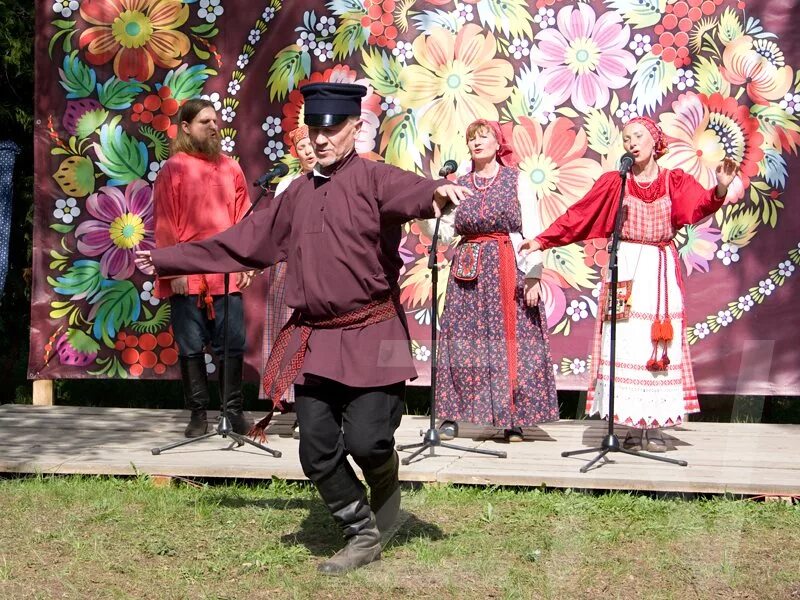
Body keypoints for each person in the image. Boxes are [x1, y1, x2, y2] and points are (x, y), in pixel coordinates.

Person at [136, 82, 470, 574]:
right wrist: (166, 259)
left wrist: (435, 191)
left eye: (332, 128)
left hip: (374, 332)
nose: (321, 138)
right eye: (314, 129)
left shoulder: (375, 179)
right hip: (314, 339)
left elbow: (412, 190)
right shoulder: (294, 194)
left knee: (369, 442)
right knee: (315, 449)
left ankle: (385, 481)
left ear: (356, 128)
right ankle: (361, 531)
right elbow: (239, 242)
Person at [520, 116, 739, 452]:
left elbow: (700, 205)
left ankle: (655, 425)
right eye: (626, 139)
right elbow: (579, 216)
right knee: (624, 341)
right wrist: (542, 241)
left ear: (655, 140)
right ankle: (631, 426)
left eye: (638, 136)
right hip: (624, 269)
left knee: (657, 342)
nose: (632, 143)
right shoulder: (615, 182)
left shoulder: (673, 181)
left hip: (658, 268)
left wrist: (721, 188)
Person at [429, 120, 559, 443]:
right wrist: (438, 206)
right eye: (471, 138)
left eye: (484, 136)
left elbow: (531, 229)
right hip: (468, 270)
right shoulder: (459, 183)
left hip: (506, 263)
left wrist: (533, 275)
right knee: (460, 339)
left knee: (509, 341)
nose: (477, 143)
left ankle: (511, 416)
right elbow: (445, 236)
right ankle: (451, 415)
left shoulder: (517, 180)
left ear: (497, 143)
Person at [152, 98, 254, 438]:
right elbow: (165, 222)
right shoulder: (174, 168)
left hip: (224, 273)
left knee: (232, 345)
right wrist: (175, 270)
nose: (213, 127)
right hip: (188, 274)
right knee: (191, 345)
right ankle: (198, 414)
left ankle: (233, 413)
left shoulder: (231, 168)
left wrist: (245, 262)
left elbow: (244, 220)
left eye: (215, 121)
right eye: (204, 122)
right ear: (185, 128)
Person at [258, 125, 317, 437]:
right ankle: (295, 409)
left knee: (316, 340)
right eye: (302, 147)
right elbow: (275, 230)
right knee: (291, 338)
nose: (308, 151)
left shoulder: (335, 181)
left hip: (320, 268)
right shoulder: (288, 186)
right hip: (290, 268)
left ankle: (318, 408)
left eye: (311, 145)